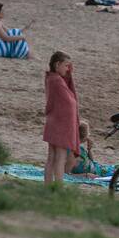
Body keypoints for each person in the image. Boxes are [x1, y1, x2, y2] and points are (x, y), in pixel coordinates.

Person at [43, 51, 80, 185]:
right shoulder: (56, 81)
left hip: (53, 123)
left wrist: (68, 74)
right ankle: (58, 187)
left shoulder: (51, 78)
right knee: (60, 158)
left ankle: (48, 186)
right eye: (65, 66)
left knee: (51, 157)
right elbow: (69, 100)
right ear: (57, 64)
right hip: (60, 125)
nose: (67, 69)